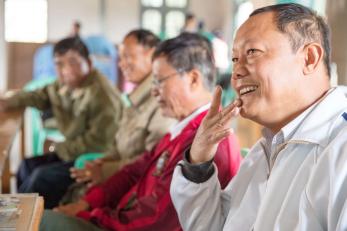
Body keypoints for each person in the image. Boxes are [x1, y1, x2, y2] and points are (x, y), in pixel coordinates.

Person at [170, 3, 347, 231]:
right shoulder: (265, 150)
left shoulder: (340, 149)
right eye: (234, 59)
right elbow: (217, 226)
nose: (237, 72)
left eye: (252, 52)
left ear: (309, 58)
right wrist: (198, 163)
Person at [39, 33, 242, 231]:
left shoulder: (206, 142)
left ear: (193, 79)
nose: (154, 91)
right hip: (118, 218)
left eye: (160, 80)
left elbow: (157, 222)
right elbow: (135, 170)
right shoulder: (183, 130)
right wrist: (87, 203)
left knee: (41, 220)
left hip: (122, 224)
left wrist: (91, 216)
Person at [0, 37, 123, 209]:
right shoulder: (62, 85)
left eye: (73, 62)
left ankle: (31, 220)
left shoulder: (102, 94)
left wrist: (57, 148)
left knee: (40, 177)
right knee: (27, 165)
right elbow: (37, 96)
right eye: (59, 64)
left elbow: (99, 143)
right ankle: (18, 216)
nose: (66, 70)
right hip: (72, 150)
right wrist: (7, 101)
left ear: (88, 62)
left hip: (92, 158)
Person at [61, 29, 176, 203]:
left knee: (47, 182)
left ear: (152, 55)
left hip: (130, 190)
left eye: (128, 56)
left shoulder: (162, 103)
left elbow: (151, 163)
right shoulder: (135, 98)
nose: (122, 64)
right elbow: (117, 145)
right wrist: (101, 162)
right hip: (115, 175)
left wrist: (105, 170)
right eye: (120, 58)